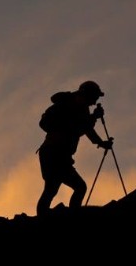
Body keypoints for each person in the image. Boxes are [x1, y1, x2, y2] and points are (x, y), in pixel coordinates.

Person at [36, 80, 113, 215]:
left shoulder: (76, 105)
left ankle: (47, 216)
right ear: (88, 94)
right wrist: (94, 118)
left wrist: (101, 142)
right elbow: (81, 128)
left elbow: (82, 127)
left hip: (53, 153)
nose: (94, 102)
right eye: (94, 97)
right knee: (76, 187)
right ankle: (72, 217)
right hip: (56, 153)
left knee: (52, 188)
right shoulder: (76, 105)